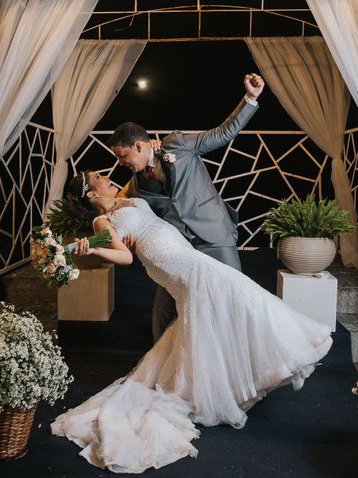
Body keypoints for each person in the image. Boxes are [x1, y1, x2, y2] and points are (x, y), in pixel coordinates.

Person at [50, 170, 333, 474]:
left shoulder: (125, 200)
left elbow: (146, 177)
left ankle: (249, 372)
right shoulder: (100, 222)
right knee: (246, 295)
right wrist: (92, 246)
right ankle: (291, 349)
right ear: (91, 194)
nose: (107, 176)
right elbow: (124, 257)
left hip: (187, 256)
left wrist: (158, 154)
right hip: (176, 266)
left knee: (231, 306)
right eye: (99, 178)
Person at [107, 73, 265, 342]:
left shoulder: (177, 144)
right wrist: (86, 243)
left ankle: (250, 358)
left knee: (237, 298)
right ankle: (158, 370)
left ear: (137, 146)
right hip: (178, 250)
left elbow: (223, 133)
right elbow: (111, 214)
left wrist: (250, 98)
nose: (120, 163)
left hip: (214, 235)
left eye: (122, 156)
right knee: (163, 311)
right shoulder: (135, 185)